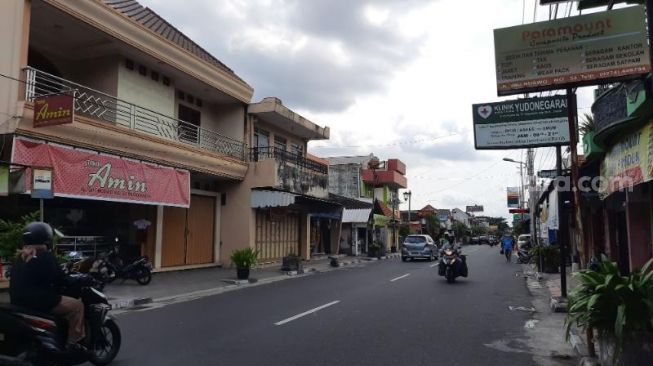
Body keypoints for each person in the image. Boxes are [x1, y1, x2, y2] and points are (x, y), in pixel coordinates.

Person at [9, 222, 85, 349]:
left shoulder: (21, 257)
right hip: (41, 302)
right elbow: (62, 279)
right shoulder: (46, 256)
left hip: (18, 302)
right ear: (46, 239)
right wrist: (80, 280)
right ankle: (73, 344)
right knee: (77, 306)